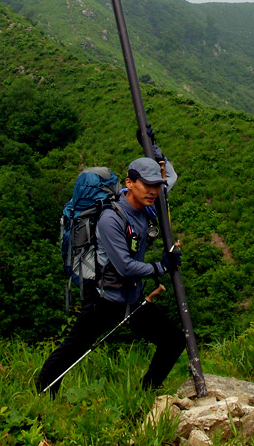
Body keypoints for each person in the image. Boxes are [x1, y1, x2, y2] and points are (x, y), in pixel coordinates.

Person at [36, 156, 185, 396]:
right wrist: (161, 267)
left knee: (174, 340)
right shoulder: (110, 219)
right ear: (130, 183)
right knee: (73, 350)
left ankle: (145, 394)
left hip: (131, 297)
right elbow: (125, 266)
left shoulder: (147, 204)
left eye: (156, 185)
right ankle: (40, 396)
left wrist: (156, 152)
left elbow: (169, 178)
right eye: (147, 185)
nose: (153, 191)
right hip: (104, 300)